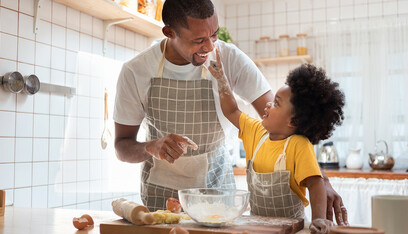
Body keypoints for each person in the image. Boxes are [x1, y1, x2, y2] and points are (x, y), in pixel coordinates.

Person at [113, 0, 348, 226]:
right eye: (199, 40)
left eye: (214, 35)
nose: (210, 47)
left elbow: (289, 125)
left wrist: (320, 180)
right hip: (159, 203)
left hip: (218, 201)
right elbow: (122, 146)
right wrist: (151, 147)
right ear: (169, 32)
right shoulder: (136, 71)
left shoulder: (230, 59)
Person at [208, 57, 344, 232]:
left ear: (293, 121)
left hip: (292, 229)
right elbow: (231, 111)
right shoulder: (256, 132)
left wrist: (319, 220)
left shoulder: (298, 145)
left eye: (276, 103)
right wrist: (221, 80)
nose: (268, 105)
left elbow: (315, 183)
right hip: (258, 227)